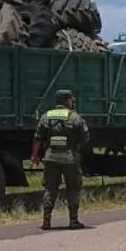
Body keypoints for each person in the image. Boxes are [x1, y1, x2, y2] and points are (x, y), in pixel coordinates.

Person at [31, 89, 90, 230]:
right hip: (69, 158)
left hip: (50, 157)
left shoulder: (46, 116)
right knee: (73, 187)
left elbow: (38, 137)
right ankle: (73, 221)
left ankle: (46, 221)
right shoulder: (74, 117)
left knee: (50, 188)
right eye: (70, 99)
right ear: (66, 100)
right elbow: (85, 137)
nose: (72, 101)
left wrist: (35, 155)